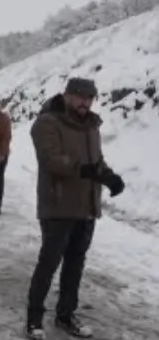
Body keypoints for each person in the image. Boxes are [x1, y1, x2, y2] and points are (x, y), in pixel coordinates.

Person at [25, 78, 125, 340]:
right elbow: (51, 158)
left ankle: (66, 315)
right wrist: (83, 169)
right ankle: (34, 318)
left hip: (86, 207)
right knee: (49, 263)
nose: (85, 102)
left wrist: (109, 177)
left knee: (75, 265)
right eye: (80, 96)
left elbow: (97, 162)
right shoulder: (48, 122)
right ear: (67, 95)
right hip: (57, 206)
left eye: (90, 97)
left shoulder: (92, 126)